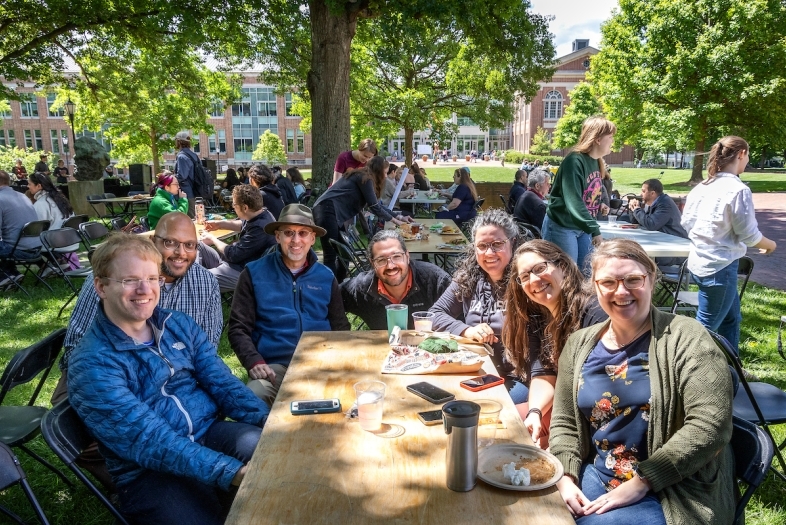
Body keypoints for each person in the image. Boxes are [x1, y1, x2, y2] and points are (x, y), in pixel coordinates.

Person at [67, 234, 268, 525]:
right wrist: (231, 472)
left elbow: (223, 383)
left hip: (207, 432)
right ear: (101, 286)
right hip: (149, 471)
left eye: (152, 278)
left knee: (274, 455)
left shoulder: (176, 324)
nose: (144, 289)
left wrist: (271, 424)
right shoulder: (93, 363)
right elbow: (150, 441)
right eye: (130, 280)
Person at [549, 238, 734, 525]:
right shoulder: (578, 344)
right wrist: (565, 476)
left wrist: (643, 481)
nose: (621, 291)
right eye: (608, 282)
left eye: (633, 279)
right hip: (596, 475)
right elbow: (564, 422)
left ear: (651, 279)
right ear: (595, 287)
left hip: (671, 490)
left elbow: (711, 426)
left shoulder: (688, 338)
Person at [55, 211, 223, 401]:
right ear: (153, 241)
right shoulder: (109, 280)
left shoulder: (206, 282)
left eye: (189, 245)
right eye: (170, 242)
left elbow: (208, 350)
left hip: (178, 384)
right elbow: (74, 348)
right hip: (108, 380)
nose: (181, 253)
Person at [228, 204, 351, 405]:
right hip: (275, 367)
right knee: (254, 398)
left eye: (303, 233)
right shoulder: (253, 273)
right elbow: (238, 328)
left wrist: (340, 360)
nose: (296, 240)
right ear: (277, 237)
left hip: (321, 363)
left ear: (312, 239)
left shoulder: (326, 277)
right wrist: (254, 361)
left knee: (354, 398)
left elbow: (341, 326)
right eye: (288, 233)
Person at [502, 240, 606, 446]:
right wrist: (535, 412)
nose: (534, 279)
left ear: (563, 267)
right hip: (566, 408)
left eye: (540, 268)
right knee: (500, 425)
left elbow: (599, 387)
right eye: (524, 276)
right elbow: (543, 374)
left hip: (594, 416)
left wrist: (556, 431)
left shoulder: (594, 313)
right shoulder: (538, 317)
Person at [681, 136, 777, 351]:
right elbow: (749, 234)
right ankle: (682, 374)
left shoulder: (702, 187)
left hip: (700, 263)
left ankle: (732, 369)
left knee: (731, 319)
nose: (748, 160)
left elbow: (686, 222)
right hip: (719, 268)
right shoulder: (738, 190)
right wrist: (770, 245)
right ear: (741, 153)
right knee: (705, 330)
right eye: (748, 155)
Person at [430, 209, 527, 403]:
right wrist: (467, 330)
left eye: (497, 244)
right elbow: (434, 314)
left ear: (513, 242)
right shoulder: (469, 279)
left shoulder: (526, 281)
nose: (489, 252)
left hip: (519, 377)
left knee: (485, 408)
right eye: (482, 246)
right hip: (477, 371)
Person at [313, 156, 412, 283]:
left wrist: (399, 217)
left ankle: (339, 287)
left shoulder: (364, 177)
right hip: (326, 210)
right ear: (378, 170)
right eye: (385, 172)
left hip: (332, 212)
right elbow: (375, 207)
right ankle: (329, 290)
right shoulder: (364, 178)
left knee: (345, 255)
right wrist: (396, 221)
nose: (386, 176)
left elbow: (377, 205)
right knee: (331, 255)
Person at [543, 116, 615, 272]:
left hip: (582, 228)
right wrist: (595, 230)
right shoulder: (574, 161)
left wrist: (598, 203)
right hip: (562, 226)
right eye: (610, 137)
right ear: (597, 139)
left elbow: (589, 192)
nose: (612, 141)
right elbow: (574, 201)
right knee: (567, 276)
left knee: (587, 274)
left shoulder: (596, 161)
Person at [341, 230, 451, 330]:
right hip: (384, 350)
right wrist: (341, 327)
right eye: (381, 260)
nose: (390, 266)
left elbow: (461, 319)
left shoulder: (435, 280)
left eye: (397, 256)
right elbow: (329, 297)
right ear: (372, 263)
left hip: (428, 349)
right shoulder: (363, 287)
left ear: (407, 256)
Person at [200, 184, 277, 291]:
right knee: (198, 245)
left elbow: (232, 254)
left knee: (198, 280)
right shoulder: (260, 213)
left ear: (245, 207)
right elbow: (242, 223)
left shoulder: (260, 227)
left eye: (234, 204)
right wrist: (220, 224)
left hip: (243, 272)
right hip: (233, 263)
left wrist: (212, 239)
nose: (232, 206)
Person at [627, 178, 688, 267]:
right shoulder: (656, 203)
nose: (641, 194)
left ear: (652, 193)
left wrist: (637, 210)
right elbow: (639, 223)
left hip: (673, 249)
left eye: (643, 191)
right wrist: (633, 209)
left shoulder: (664, 204)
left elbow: (651, 224)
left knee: (638, 257)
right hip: (663, 243)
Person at [0, 170, 40, 287]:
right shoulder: (23, 196)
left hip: (18, 250)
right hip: (36, 248)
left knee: (5, 244)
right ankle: (12, 273)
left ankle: (4, 276)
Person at [174, 130, 197, 215]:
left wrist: (170, 176)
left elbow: (182, 176)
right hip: (195, 191)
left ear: (179, 142)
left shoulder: (181, 156)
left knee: (188, 219)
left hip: (186, 193)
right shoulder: (194, 155)